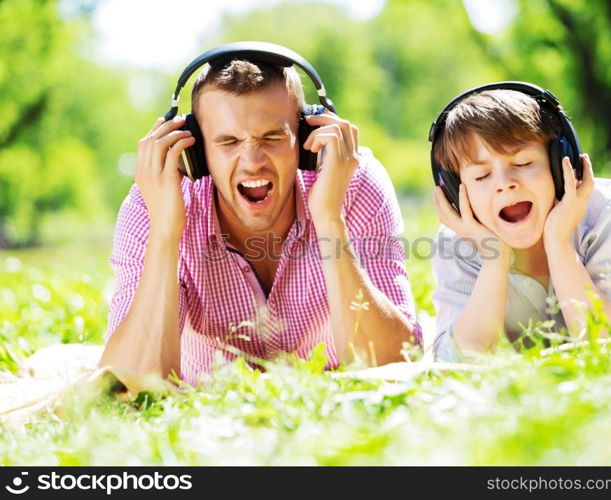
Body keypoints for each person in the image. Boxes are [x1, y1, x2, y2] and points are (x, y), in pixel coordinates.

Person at [100, 43, 421, 385]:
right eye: (228, 142)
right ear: (195, 151)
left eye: (272, 137)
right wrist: (165, 234)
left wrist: (329, 221)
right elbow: (125, 385)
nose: (253, 161)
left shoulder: (352, 183)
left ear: (306, 138)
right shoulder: (154, 203)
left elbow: (397, 364)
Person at [429, 83, 611, 360]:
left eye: (524, 163)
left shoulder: (604, 210)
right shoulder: (458, 240)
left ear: (561, 161)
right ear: (456, 190)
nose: (505, 184)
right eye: (481, 176)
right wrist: (494, 258)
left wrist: (559, 244)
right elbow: (459, 360)